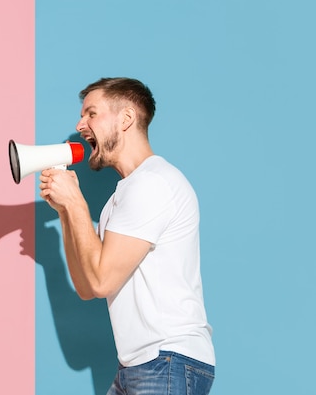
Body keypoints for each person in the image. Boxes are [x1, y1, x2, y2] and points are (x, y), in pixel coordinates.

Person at [39, 77, 215, 395]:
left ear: (126, 118)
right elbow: (87, 286)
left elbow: (102, 281)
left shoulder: (154, 183)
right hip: (139, 366)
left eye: (91, 113)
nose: (80, 125)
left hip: (166, 361)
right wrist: (65, 212)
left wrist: (77, 202)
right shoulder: (122, 198)